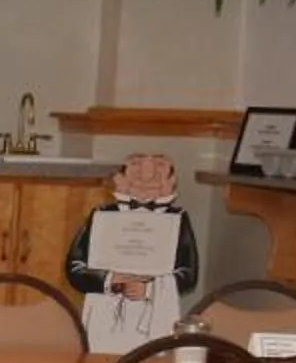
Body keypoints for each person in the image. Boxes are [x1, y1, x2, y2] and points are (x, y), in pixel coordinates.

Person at [67, 151, 199, 352]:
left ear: (171, 182)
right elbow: (74, 268)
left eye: (156, 175)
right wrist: (110, 280)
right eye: (137, 173)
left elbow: (189, 275)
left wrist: (150, 289)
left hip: (154, 317)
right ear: (120, 180)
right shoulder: (102, 216)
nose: (146, 178)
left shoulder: (177, 220)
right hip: (104, 319)